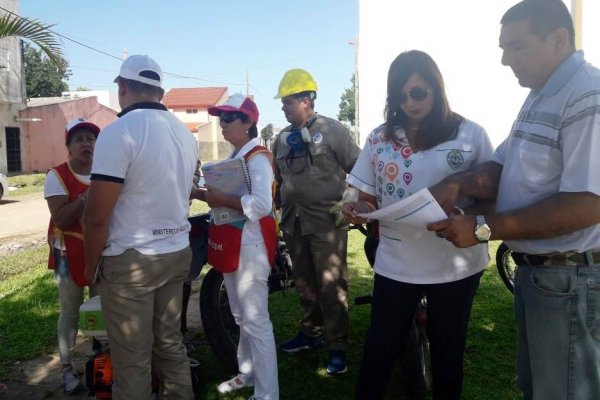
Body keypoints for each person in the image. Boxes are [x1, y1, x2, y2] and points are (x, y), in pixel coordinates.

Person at [427, 1, 600, 399]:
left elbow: (589, 203)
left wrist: (484, 227)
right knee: (540, 389)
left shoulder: (585, 93)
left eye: (517, 46)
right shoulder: (541, 95)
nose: (506, 60)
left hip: (569, 277)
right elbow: (502, 167)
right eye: (503, 47)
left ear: (558, 39)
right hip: (543, 276)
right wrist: (457, 183)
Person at [342, 50, 494, 400]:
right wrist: (358, 206)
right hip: (397, 263)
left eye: (418, 93)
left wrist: (471, 219)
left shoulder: (469, 134)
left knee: (447, 353)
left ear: (436, 89)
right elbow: (365, 194)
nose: (409, 103)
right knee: (379, 349)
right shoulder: (380, 139)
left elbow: (494, 190)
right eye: (400, 95)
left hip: (454, 267)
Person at [83, 55, 198, 400]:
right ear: (160, 91)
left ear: (122, 87)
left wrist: (91, 267)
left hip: (132, 260)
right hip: (176, 252)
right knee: (170, 343)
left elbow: (96, 216)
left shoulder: (118, 133)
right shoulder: (184, 134)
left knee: (132, 358)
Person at [272, 68, 361, 374]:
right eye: (283, 102)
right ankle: (310, 333)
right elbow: (279, 177)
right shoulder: (281, 139)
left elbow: (361, 170)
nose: (283, 107)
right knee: (304, 282)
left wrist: (349, 200)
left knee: (331, 284)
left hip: (326, 223)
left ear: (307, 100)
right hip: (294, 223)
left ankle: (338, 345)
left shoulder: (333, 131)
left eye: (288, 101)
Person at [191, 93, 279, 400]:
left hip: (251, 245)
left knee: (256, 319)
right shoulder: (237, 157)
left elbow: (261, 205)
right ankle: (248, 374)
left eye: (229, 119)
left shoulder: (257, 158)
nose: (223, 124)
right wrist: (200, 194)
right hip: (234, 242)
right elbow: (223, 200)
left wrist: (218, 198)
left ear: (249, 122)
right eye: (221, 119)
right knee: (241, 316)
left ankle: (268, 394)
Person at [44, 117, 100, 394]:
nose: (86, 144)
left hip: (102, 250)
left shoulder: (105, 171)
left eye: (91, 139)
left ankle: (100, 359)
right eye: (79, 139)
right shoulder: (56, 175)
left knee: (102, 306)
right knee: (70, 311)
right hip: (69, 253)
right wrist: (85, 197)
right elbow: (61, 219)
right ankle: (66, 368)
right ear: (68, 146)